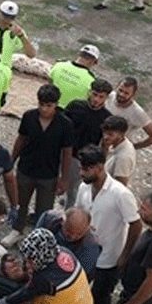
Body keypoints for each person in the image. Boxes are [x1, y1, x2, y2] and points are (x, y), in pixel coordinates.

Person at [74, 145, 142, 304]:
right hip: (87, 250)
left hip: (109, 256)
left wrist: (125, 255)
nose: (81, 173)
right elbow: (79, 214)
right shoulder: (83, 188)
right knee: (80, 287)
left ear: (99, 167)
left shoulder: (120, 194)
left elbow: (135, 224)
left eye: (86, 169)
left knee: (101, 298)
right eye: (81, 168)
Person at [7, 84, 73, 243]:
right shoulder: (29, 116)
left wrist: (64, 178)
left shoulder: (65, 124)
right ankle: (17, 230)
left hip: (48, 174)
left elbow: (67, 152)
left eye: (49, 105)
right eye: (41, 104)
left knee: (44, 210)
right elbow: (21, 139)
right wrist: (11, 160)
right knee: (20, 202)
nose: (44, 109)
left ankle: (37, 237)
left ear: (56, 104)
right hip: (26, 168)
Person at [61, 78, 113, 207]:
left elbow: (104, 144)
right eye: (95, 94)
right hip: (64, 152)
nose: (96, 99)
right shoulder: (75, 106)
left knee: (75, 191)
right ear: (90, 92)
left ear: (106, 98)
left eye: (101, 97)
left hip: (84, 159)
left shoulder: (107, 118)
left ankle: (68, 219)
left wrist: (100, 163)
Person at [106, 77, 152, 150]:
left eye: (126, 93)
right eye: (120, 90)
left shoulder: (138, 112)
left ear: (133, 94)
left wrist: (134, 147)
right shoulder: (110, 96)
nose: (121, 94)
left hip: (117, 149)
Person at [101, 116, 137, 186]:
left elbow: (121, 184)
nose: (105, 137)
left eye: (110, 134)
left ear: (121, 134)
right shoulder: (113, 143)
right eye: (104, 132)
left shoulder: (124, 157)